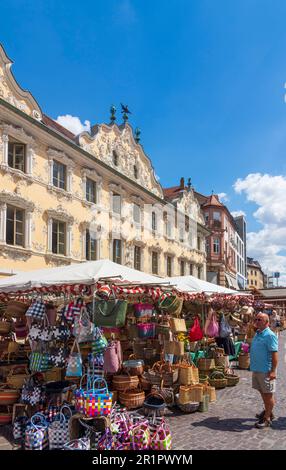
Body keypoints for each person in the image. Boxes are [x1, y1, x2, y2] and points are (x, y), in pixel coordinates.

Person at [250, 312, 278, 429]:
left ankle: (266, 419)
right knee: (262, 392)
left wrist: (273, 371)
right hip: (256, 369)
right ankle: (268, 411)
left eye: (259, 320)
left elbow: (274, 355)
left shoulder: (270, 335)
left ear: (267, 322)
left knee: (268, 395)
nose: (256, 321)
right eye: (256, 319)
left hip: (265, 370)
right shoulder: (258, 333)